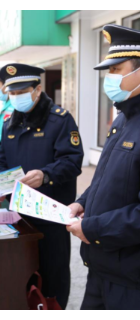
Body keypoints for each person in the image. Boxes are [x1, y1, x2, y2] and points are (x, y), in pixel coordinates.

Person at [0, 64, 84, 310]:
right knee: (22, 275)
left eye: (21, 91)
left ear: (37, 90)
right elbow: (2, 163)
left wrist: (45, 175)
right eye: (11, 93)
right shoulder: (9, 122)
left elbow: (73, 161)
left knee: (53, 277)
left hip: (51, 215)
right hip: (19, 216)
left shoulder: (60, 120)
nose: (16, 97)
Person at [68, 24, 140, 311]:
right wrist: (83, 203)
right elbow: (107, 177)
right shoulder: (123, 119)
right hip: (102, 266)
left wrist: (93, 228)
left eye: (117, 70)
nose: (109, 79)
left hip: (132, 280)